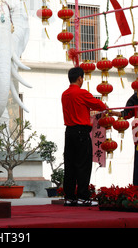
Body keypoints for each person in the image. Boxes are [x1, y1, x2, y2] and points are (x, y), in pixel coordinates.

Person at [61, 66, 108, 206]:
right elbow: (99, 105)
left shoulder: (64, 94)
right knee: (83, 165)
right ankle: (83, 196)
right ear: (80, 78)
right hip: (81, 132)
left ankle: (69, 197)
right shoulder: (81, 93)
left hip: (69, 132)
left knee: (70, 165)